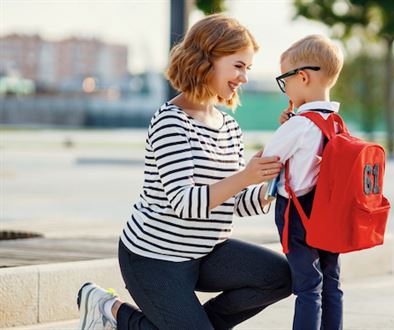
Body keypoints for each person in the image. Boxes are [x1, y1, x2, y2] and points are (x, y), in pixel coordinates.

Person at [76, 14, 292, 330]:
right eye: (238, 66)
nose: (243, 78)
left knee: (280, 277)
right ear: (207, 60)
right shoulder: (170, 121)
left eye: (248, 68)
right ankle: (108, 309)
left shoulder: (229, 126)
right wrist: (245, 176)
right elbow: (185, 203)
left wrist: (268, 184)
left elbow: (235, 202)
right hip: (153, 258)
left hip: (206, 252)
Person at [262, 35, 344, 330]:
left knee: (308, 286)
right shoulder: (336, 122)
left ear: (303, 77)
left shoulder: (299, 124)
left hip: (297, 213)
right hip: (328, 212)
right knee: (330, 281)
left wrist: (285, 128)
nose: (285, 89)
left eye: (285, 81)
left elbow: (269, 160)